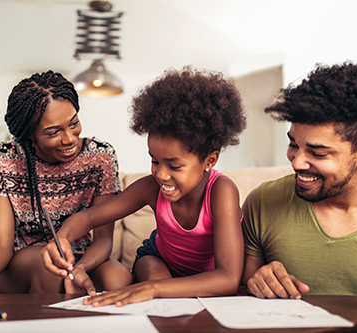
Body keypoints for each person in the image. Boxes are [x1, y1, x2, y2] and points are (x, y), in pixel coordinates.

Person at [42, 66, 247, 306]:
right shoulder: (151, 188)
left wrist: (152, 289)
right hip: (160, 261)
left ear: (209, 160)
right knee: (153, 276)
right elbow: (89, 218)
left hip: (209, 275)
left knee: (155, 289)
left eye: (174, 165)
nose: (160, 174)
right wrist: (63, 237)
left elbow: (229, 278)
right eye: (154, 160)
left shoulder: (221, 192)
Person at [0, 70, 132, 295]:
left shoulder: (100, 156)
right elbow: (0, 245)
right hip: (24, 263)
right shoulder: (2, 160)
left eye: (73, 123)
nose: (69, 139)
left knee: (118, 278)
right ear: (30, 135)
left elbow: (104, 239)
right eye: (53, 132)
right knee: (48, 270)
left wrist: (80, 268)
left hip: (83, 257)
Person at [241, 62, 357, 331]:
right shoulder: (264, 202)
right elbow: (238, 294)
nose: (296, 162)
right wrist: (254, 283)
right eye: (293, 144)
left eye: (317, 152)